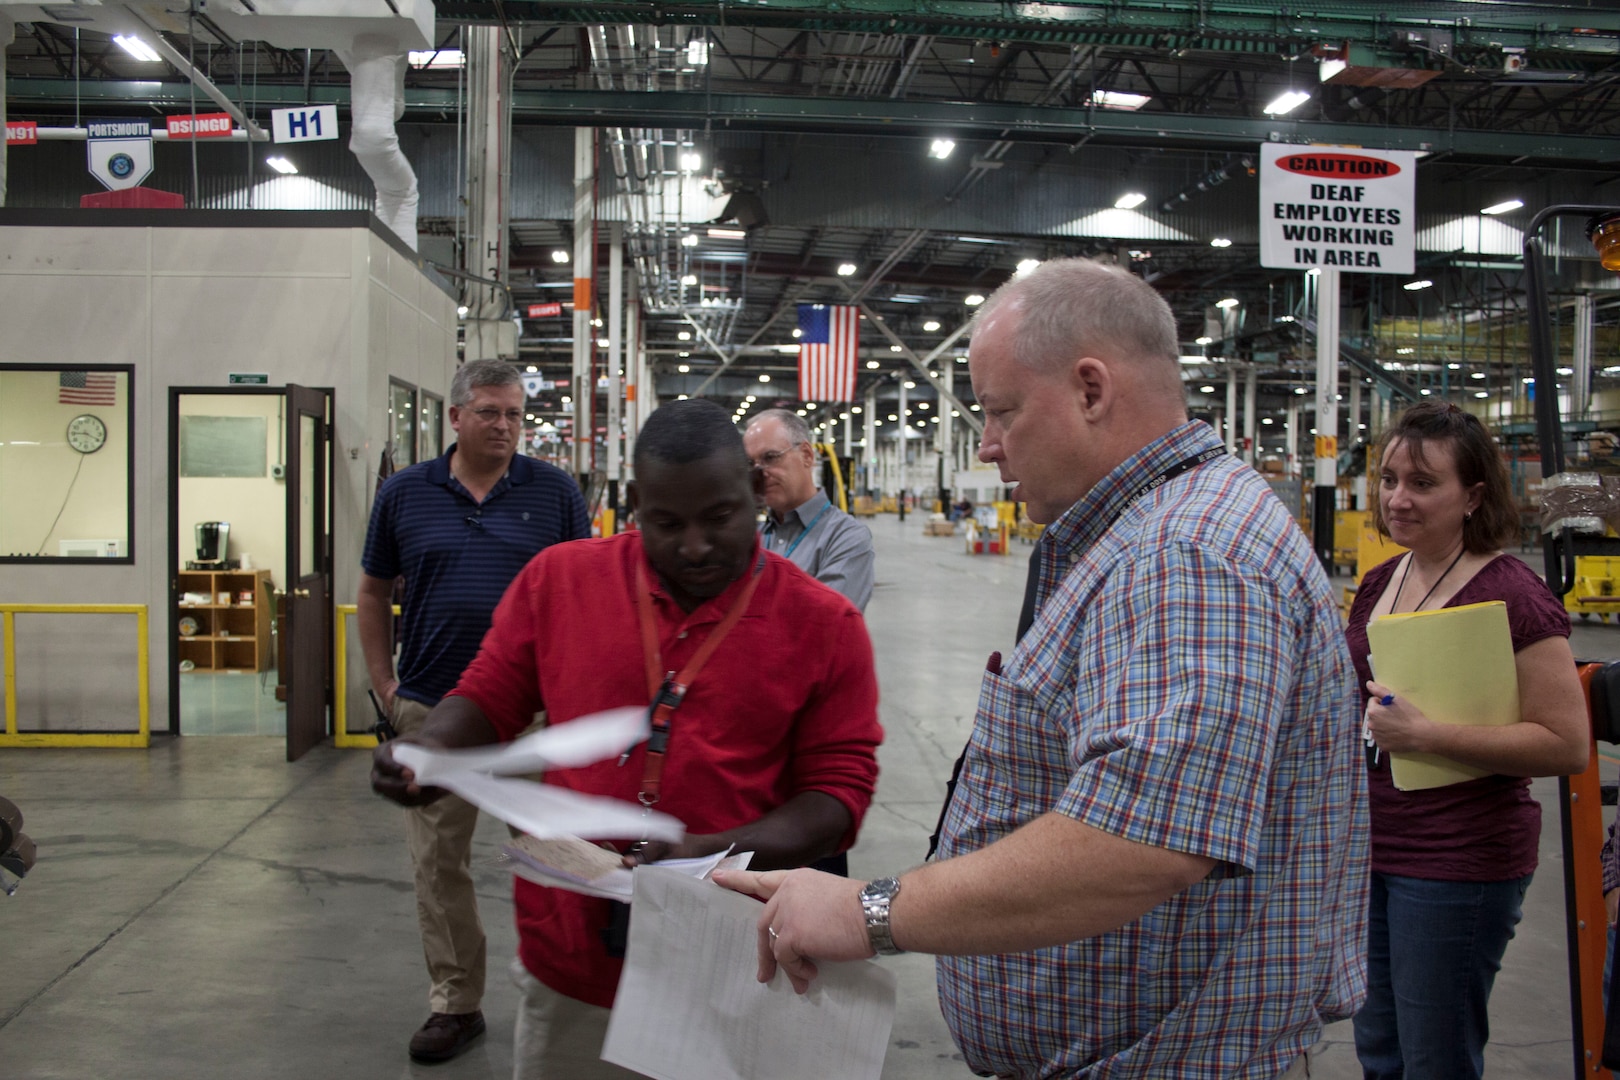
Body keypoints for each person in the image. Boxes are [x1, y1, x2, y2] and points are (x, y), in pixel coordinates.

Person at [715, 257, 1368, 1079]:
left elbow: (1143, 844)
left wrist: (867, 909)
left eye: (1001, 412)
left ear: (1092, 390)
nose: (986, 445)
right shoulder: (1144, 534)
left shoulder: (1188, 553)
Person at [370, 398, 883, 1080]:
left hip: (738, 961)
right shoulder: (559, 584)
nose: (695, 547)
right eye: (666, 523)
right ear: (634, 502)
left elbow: (837, 798)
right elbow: (489, 695)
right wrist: (432, 747)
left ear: (756, 492)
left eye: (720, 518)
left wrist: (709, 854)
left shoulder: (825, 623)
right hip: (576, 968)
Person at [359, 358, 589, 1063]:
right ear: (455, 417)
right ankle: (456, 1004)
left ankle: (561, 989)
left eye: (515, 413)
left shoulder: (553, 493)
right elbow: (372, 592)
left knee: (557, 858)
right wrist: (384, 685)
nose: (505, 425)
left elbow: (584, 595)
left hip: (533, 716)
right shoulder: (405, 494)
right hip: (434, 708)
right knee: (438, 864)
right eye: (490, 412)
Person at [1349, 401, 1588, 1080]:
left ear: (1473, 495)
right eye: (1390, 479)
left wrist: (1427, 734)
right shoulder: (1377, 584)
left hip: (1458, 859)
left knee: (1436, 1057)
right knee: (1381, 1050)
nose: (1398, 499)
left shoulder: (1512, 593)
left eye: (1423, 484)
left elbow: (1565, 744)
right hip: (1375, 849)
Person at [743, 408, 875, 611]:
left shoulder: (846, 538)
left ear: (806, 455)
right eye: (751, 464)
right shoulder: (751, 536)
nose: (759, 474)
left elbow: (824, 623)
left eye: (770, 458)